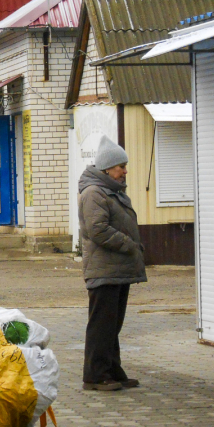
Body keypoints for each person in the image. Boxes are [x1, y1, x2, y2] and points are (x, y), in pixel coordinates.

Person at [77, 136, 146, 391]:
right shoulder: (94, 193)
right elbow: (98, 230)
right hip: (104, 269)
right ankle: (95, 376)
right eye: (121, 167)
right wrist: (129, 244)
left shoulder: (111, 191)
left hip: (116, 268)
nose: (125, 171)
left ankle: (113, 371)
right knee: (101, 325)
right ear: (107, 168)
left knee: (112, 325)